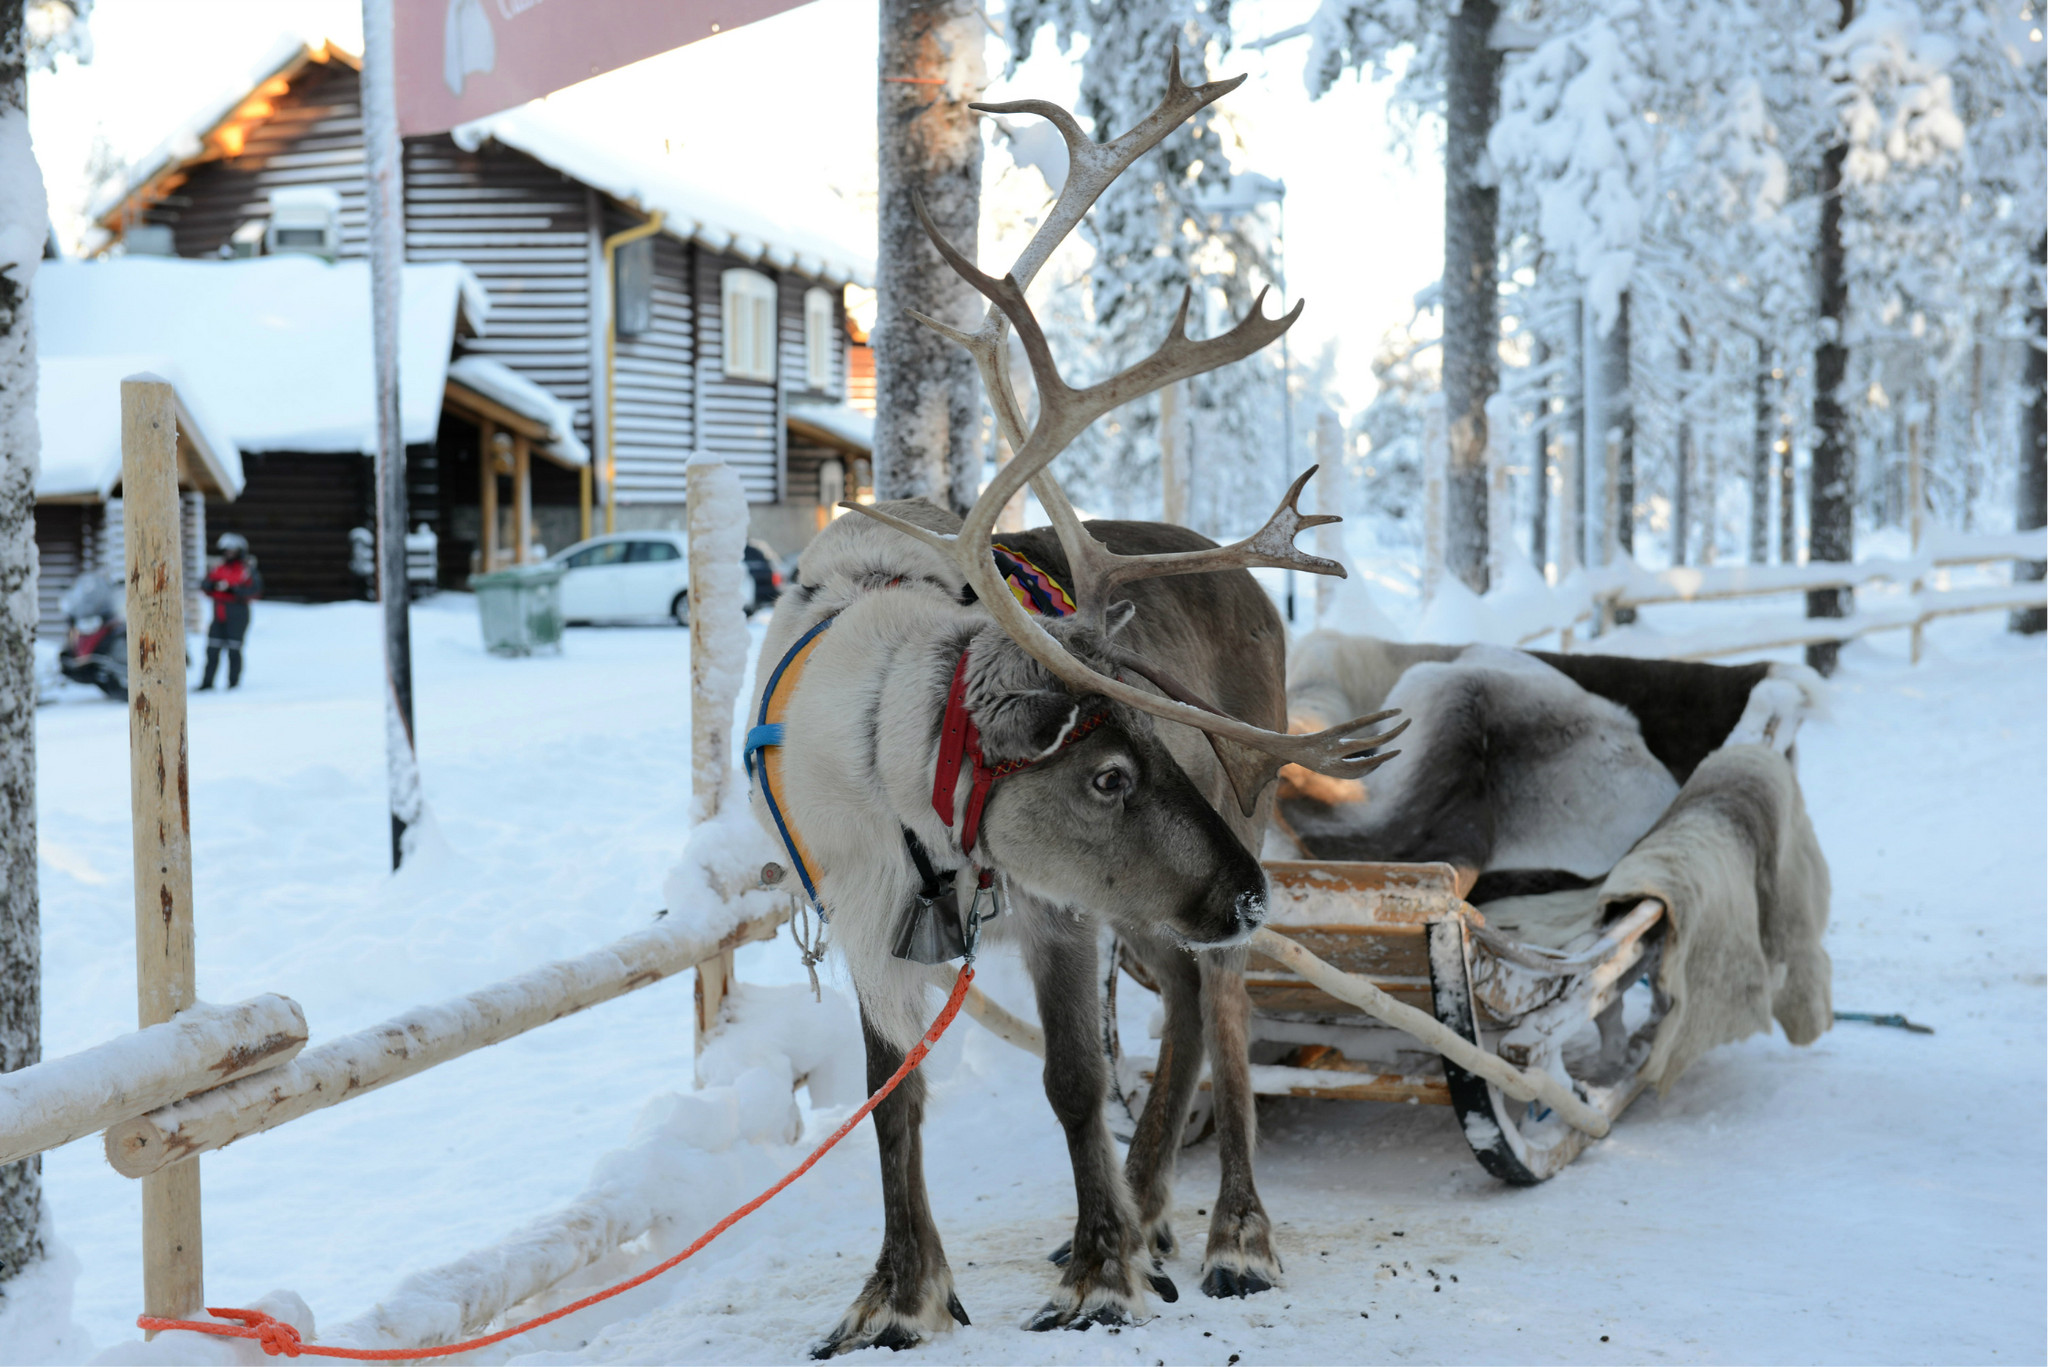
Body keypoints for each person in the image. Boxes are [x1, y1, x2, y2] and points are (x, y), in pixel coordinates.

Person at [198, 532, 263, 690]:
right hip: (219, 614)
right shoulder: (219, 567)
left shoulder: (246, 569)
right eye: (227, 551)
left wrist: (233, 590)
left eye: (232, 551)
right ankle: (207, 684)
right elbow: (206, 584)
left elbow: (255, 591)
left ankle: (233, 684)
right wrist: (214, 587)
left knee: (234, 650)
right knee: (212, 650)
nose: (229, 554)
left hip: (238, 615)